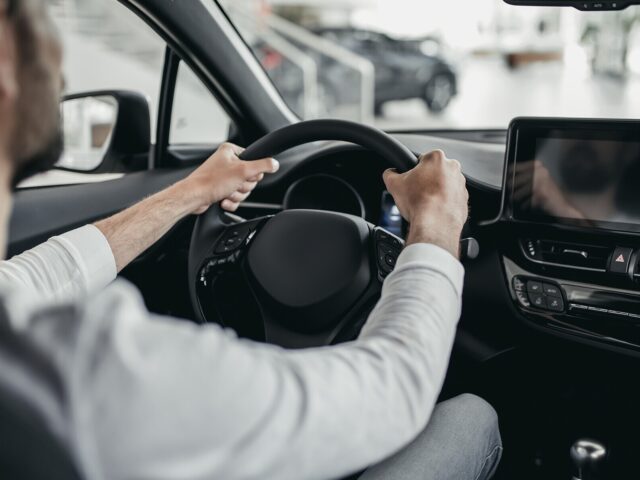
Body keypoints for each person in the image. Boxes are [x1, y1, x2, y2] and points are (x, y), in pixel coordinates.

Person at [0, 1, 502, 479]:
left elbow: (38, 277)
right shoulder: (86, 376)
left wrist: (191, 193)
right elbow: (393, 391)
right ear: (6, 81)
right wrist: (434, 226)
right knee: (473, 418)